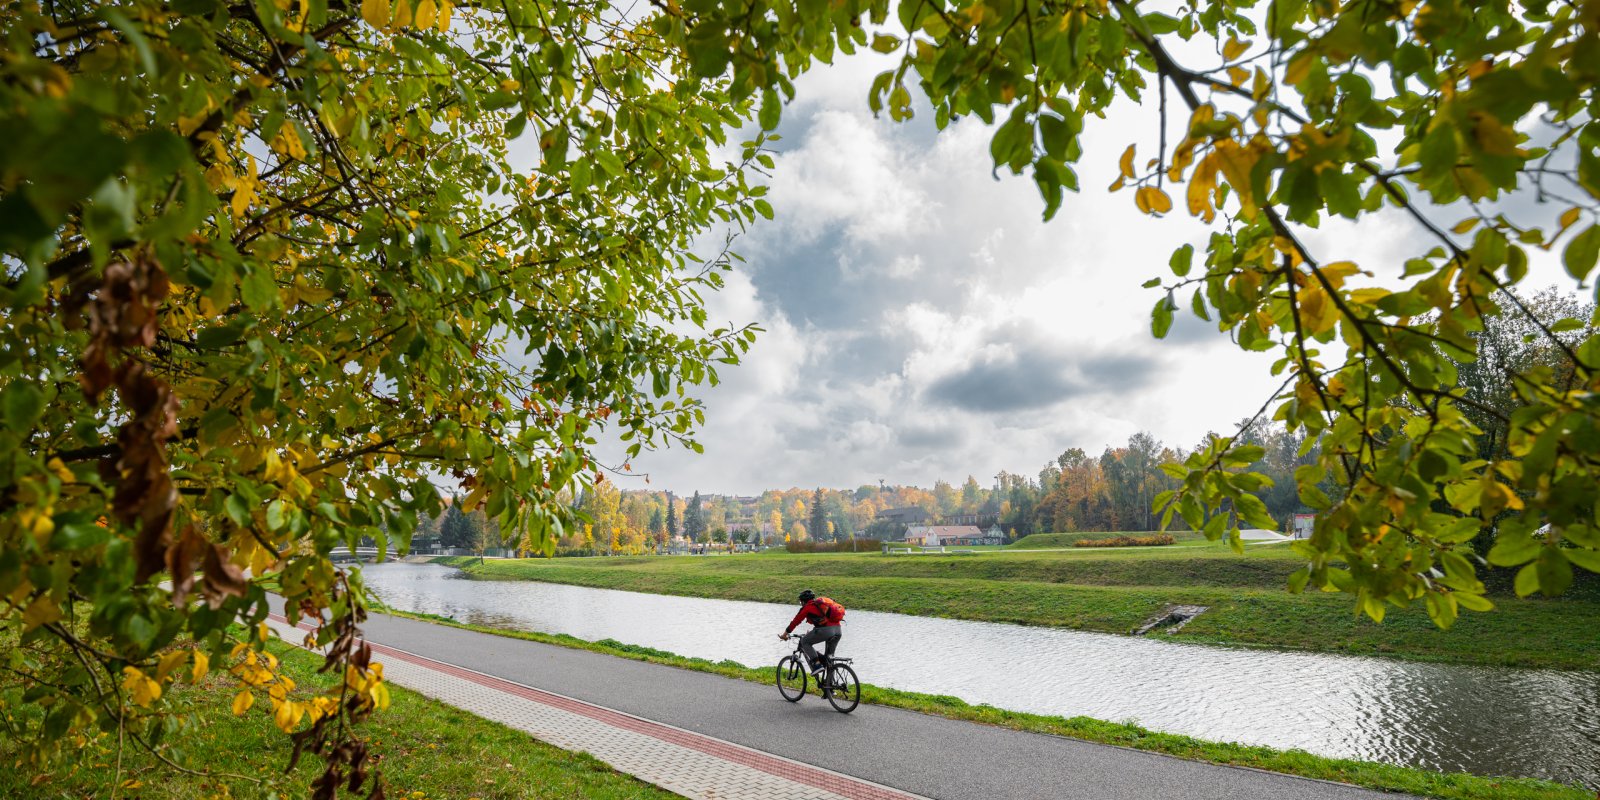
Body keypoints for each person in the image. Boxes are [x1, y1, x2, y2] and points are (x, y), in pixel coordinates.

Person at [778, 590, 845, 675]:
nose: (801, 603)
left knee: (804, 642)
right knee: (829, 659)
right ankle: (830, 685)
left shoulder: (807, 607)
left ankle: (817, 665)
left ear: (803, 601)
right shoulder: (819, 605)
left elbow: (795, 621)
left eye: (800, 601)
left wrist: (784, 635)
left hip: (826, 631)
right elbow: (822, 621)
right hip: (838, 630)